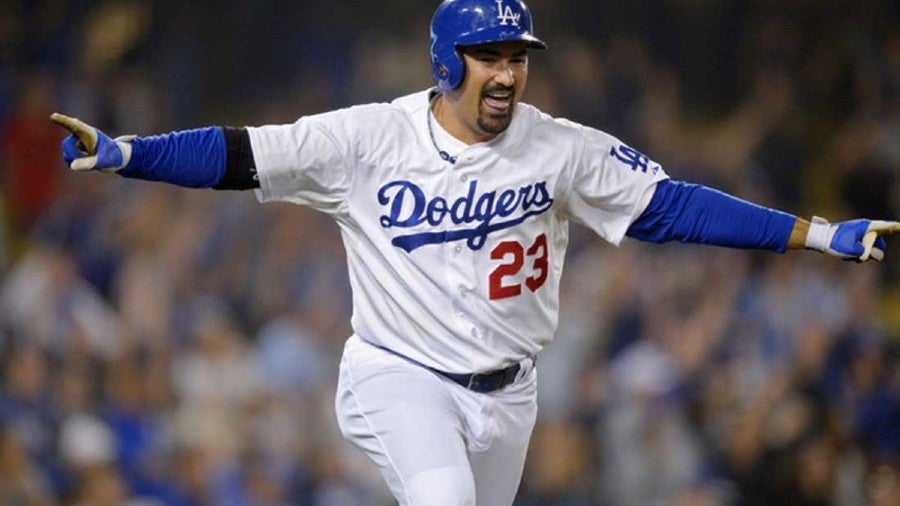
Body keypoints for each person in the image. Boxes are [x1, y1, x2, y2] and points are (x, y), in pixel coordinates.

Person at [51, 0, 900, 504]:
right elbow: (239, 153)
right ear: (443, 60)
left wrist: (819, 232)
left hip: (510, 394)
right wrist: (129, 153)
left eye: (517, 57)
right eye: (487, 55)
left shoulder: (560, 148)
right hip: (397, 373)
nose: (505, 72)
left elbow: (671, 207)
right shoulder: (369, 138)